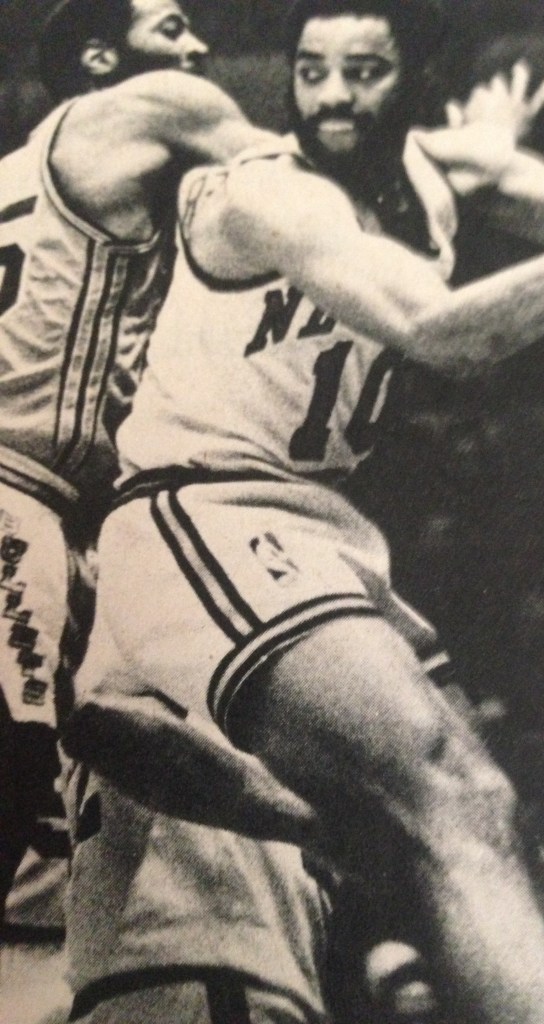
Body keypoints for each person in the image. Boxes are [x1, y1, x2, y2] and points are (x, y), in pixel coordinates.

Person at [69, 1, 544, 1023]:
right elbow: (448, 333)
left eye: (366, 71)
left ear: (417, 79)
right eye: (312, 69)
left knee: (494, 824)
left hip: (320, 522)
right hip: (200, 501)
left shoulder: (436, 173)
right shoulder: (264, 193)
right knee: (446, 802)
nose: (333, 96)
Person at [0, 3, 342, 1023]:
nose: (197, 49)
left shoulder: (27, 177)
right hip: (17, 485)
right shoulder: (153, 104)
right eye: (172, 24)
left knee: (99, 734)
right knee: (21, 754)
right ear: (102, 56)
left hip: (62, 509)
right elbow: (291, 176)